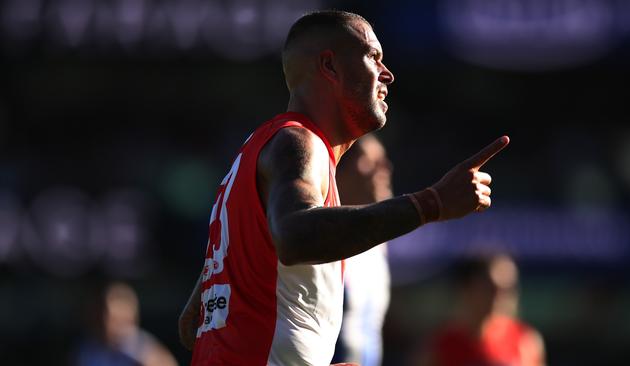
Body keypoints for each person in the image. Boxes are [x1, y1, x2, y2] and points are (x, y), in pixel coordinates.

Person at [178, 10, 510, 366]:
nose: (388, 74)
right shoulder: (299, 142)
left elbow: (192, 321)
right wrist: (432, 203)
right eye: (373, 57)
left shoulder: (257, 153)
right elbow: (296, 237)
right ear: (330, 67)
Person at [416, 255, 546, 366]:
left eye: (508, 289)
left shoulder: (526, 340)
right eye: (490, 287)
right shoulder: (441, 346)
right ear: (466, 288)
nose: (499, 296)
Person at [333, 134, 393, 366]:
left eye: (384, 160)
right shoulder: (317, 240)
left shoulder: (378, 244)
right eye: (369, 160)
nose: (384, 168)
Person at [74, 281, 178, 366]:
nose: (105, 324)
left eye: (113, 319)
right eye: (100, 317)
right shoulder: (86, 350)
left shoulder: (144, 351)